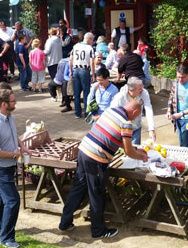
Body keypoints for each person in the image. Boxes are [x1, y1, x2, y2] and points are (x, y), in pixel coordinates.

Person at [59, 100, 148, 238]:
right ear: (135, 111)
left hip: (83, 151)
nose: (136, 118)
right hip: (96, 159)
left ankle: (64, 223)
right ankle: (98, 230)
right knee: (96, 194)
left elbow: (114, 138)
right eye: (138, 115)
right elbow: (128, 151)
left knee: (78, 188)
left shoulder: (111, 111)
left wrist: (137, 149)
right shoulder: (126, 123)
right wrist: (141, 157)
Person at [0, 89, 30, 248]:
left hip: (8, 166)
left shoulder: (8, 117)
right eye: (13, 101)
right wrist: (13, 154)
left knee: (1, 196)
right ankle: (7, 238)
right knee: (12, 200)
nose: (15, 103)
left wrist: (22, 146)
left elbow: (13, 134)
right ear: (4, 104)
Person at [110, 76, 156, 144]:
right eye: (139, 89)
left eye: (142, 87)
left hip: (136, 127)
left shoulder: (143, 92)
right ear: (131, 90)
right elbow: (111, 115)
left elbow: (148, 109)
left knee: (135, 150)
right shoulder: (119, 98)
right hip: (123, 130)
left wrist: (151, 129)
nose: (142, 90)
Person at [167, 64, 188, 147]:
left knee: (186, 146)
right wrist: (169, 111)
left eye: (183, 77)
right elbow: (171, 97)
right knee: (181, 144)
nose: (180, 80)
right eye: (178, 77)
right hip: (177, 118)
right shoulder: (176, 83)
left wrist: (181, 114)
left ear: (187, 75)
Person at [70, 32, 95, 118]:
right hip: (85, 71)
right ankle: (87, 113)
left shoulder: (75, 46)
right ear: (89, 39)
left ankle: (77, 113)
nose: (92, 41)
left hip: (76, 70)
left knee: (76, 93)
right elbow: (92, 62)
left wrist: (70, 71)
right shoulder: (90, 48)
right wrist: (93, 74)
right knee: (86, 93)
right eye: (92, 39)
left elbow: (70, 59)